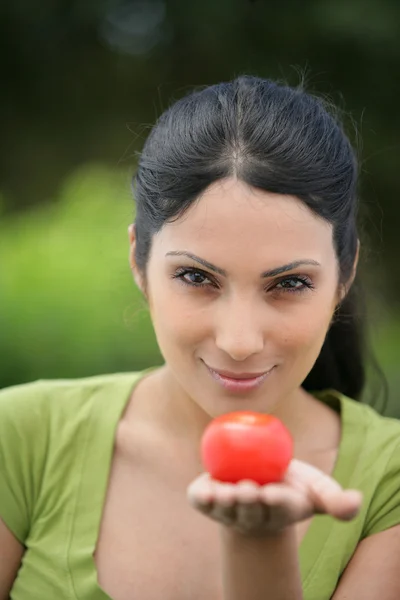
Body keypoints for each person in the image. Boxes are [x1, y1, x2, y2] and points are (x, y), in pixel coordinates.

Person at [1, 75, 400, 600]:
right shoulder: (22, 437)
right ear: (138, 262)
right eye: (196, 277)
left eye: (290, 284)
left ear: (344, 277)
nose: (239, 341)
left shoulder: (388, 485)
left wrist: (261, 548)